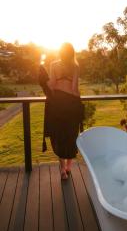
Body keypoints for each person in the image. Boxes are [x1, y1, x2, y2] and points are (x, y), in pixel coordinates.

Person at [40, 43, 84, 180]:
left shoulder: (53, 65)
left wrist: (43, 78)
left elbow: (52, 85)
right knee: (71, 136)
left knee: (59, 137)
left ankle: (62, 171)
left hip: (57, 105)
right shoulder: (75, 67)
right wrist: (79, 104)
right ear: (72, 53)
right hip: (71, 105)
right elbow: (74, 90)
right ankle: (69, 168)